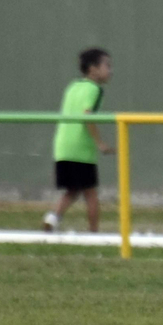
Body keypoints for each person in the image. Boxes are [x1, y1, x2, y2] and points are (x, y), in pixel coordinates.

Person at [43, 48, 114, 233]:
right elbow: (87, 115)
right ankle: (94, 232)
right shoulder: (94, 89)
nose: (110, 70)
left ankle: (52, 219)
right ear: (92, 69)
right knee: (91, 193)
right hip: (81, 149)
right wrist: (100, 143)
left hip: (62, 147)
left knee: (72, 190)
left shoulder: (73, 86)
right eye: (106, 65)